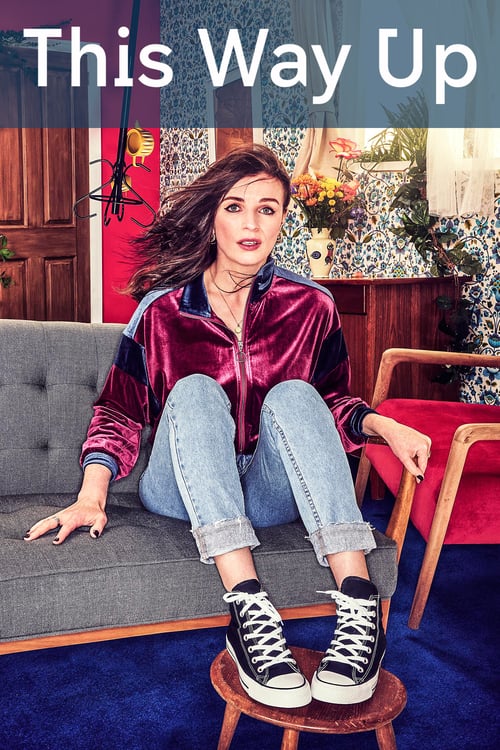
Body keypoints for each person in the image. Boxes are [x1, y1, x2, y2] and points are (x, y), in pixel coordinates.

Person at [24, 144, 431, 710]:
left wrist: (384, 426)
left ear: (283, 219)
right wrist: (92, 496)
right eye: (235, 207)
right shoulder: (162, 311)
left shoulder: (312, 306)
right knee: (194, 390)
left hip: (267, 490)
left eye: (267, 209)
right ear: (213, 217)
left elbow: (331, 404)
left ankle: (360, 607)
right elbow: (119, 411)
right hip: (181, 488)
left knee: (296, 394)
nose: (251, 224)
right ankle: (250, 611)